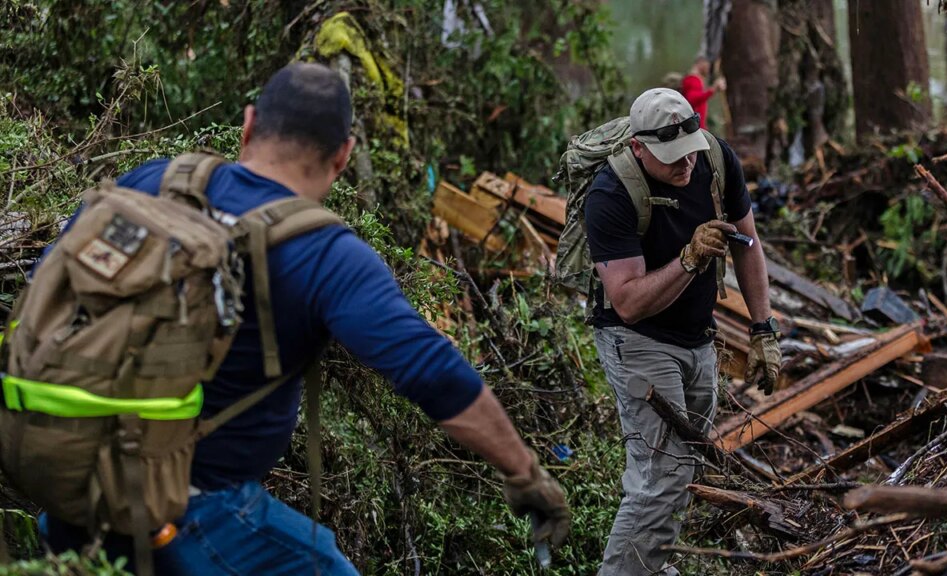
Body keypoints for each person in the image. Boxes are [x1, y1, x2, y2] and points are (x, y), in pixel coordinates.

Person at [38, 62, 570, 575]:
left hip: (65, 478)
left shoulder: (154, 182)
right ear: (343, 156)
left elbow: (49, 283)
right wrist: (524, 472)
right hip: (190, 511)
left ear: (248, 125)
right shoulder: (327, 255)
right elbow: (432, 371)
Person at [585, 88, 780, 575]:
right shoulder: (611, 193)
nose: (686, 166)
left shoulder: (715, 159)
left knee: (686, 463)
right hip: (638, 341)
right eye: (672, 159)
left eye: (690, 151)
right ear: (638, 148)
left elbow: (748, 243)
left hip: (697, 337)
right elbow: (627, 303)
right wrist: (690, 260)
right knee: (662, 476)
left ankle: (649, 566)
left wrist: (763, 328)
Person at [679, 57, 726, 129]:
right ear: (701, 63)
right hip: (695, 127)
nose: (709, 68)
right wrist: (714, 89)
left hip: (697, 126)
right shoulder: (693, 79)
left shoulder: (694, 79)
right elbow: (693, 99)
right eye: (708, 65)